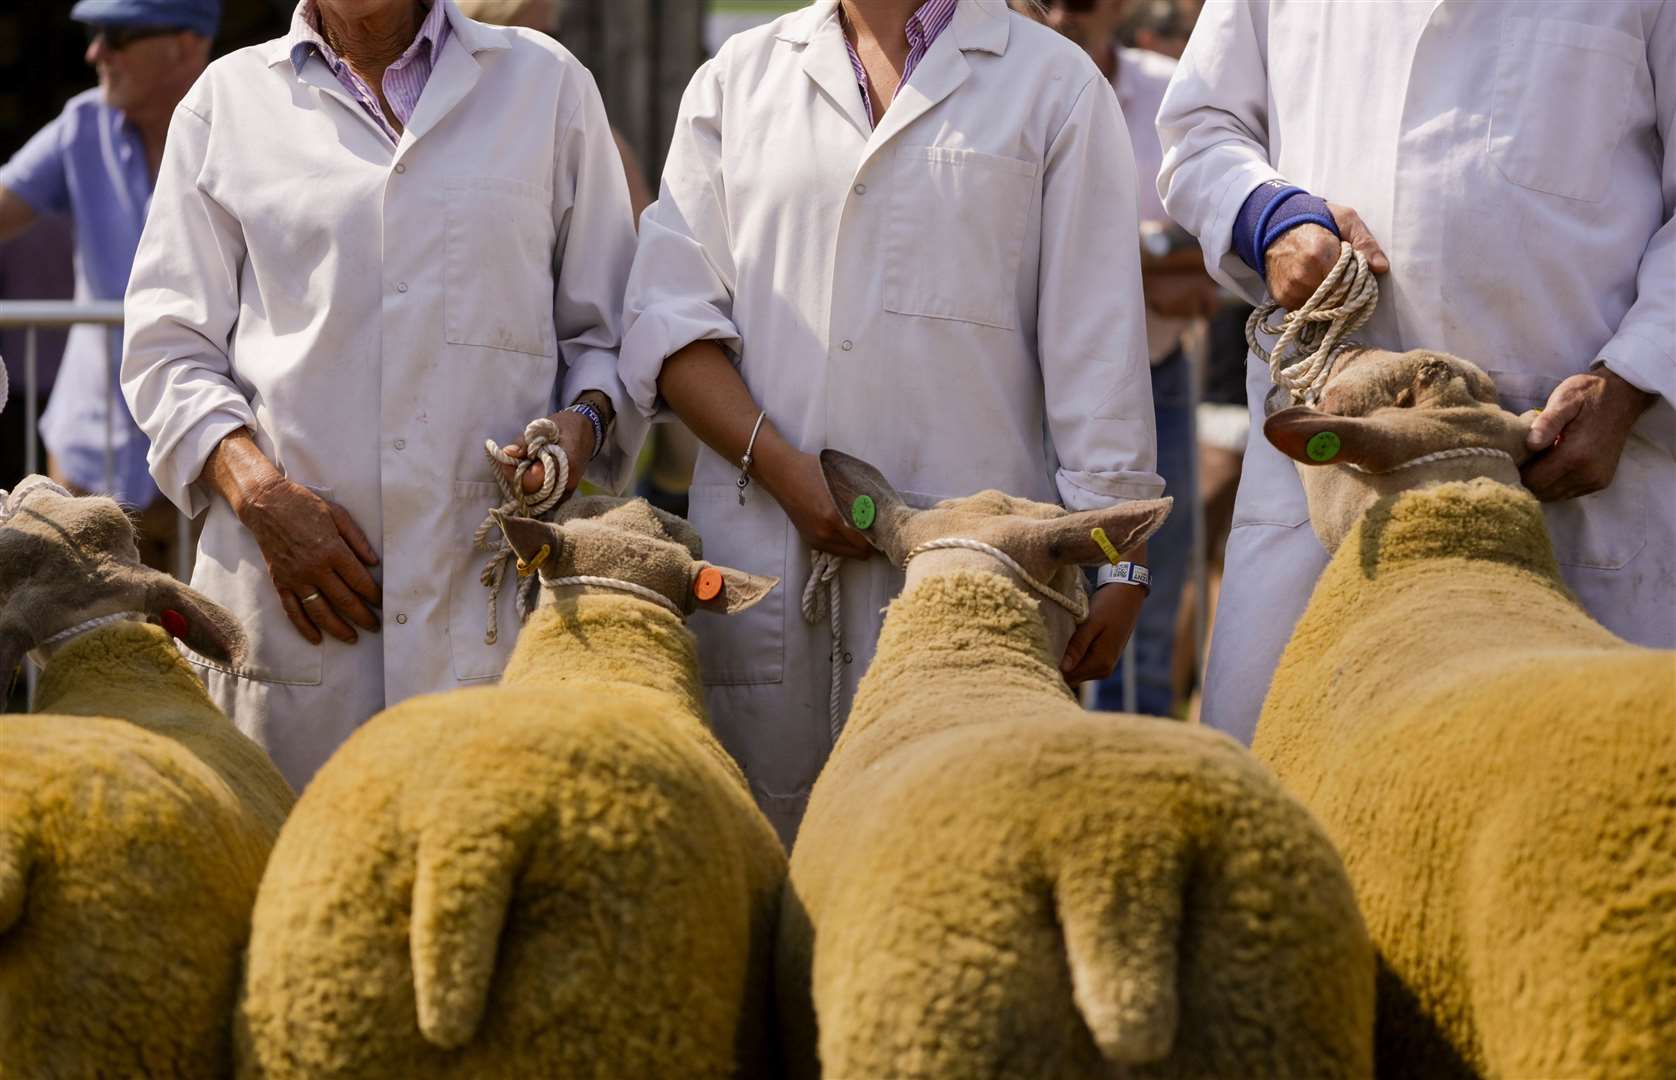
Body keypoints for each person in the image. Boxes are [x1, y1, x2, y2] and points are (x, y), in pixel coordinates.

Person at [620, 0, 1163, 841]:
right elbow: (671, 321)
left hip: (973, 582)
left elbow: (1098, 345)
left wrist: (1120, 568)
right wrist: (785, 473)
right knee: (763, 885)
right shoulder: (736, 81)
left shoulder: (1054, 86)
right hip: (771, 562)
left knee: (956, 881)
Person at [122, 0, 642, 787]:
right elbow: (167, 348)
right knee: (290, 891)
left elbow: (606, 334)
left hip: (489, 609)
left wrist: (582, 425)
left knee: (475, 879)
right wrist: (258, 492)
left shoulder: (546, 86)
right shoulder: (225, 104)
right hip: (293, 617)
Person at [1158, 0, 1676, 743]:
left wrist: (1629, 383)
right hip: (1328, 457)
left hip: (1568, 464)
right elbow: (1201, 127)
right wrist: (1268, 217)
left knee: (1567, 797)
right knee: (1296, 790)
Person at [1040, 0, 1217, 717]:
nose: (1058, 14)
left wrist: (1132, 254)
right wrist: (1155, 258)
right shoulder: (1017, 83)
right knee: (1039, 610)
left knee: (1140, 610)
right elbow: (1046, 251)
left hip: (1157, 381)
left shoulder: (1170, 87)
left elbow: (1211, 246)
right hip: (1038, 396)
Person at [0, 0, 217, 569]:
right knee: (76, 652)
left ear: (187, 46)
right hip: (86, 458)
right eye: (95, 34)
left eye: (118, 35)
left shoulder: (249, 131)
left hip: (213, 461)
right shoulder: (82, 125)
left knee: (200, 653)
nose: (96, 52)